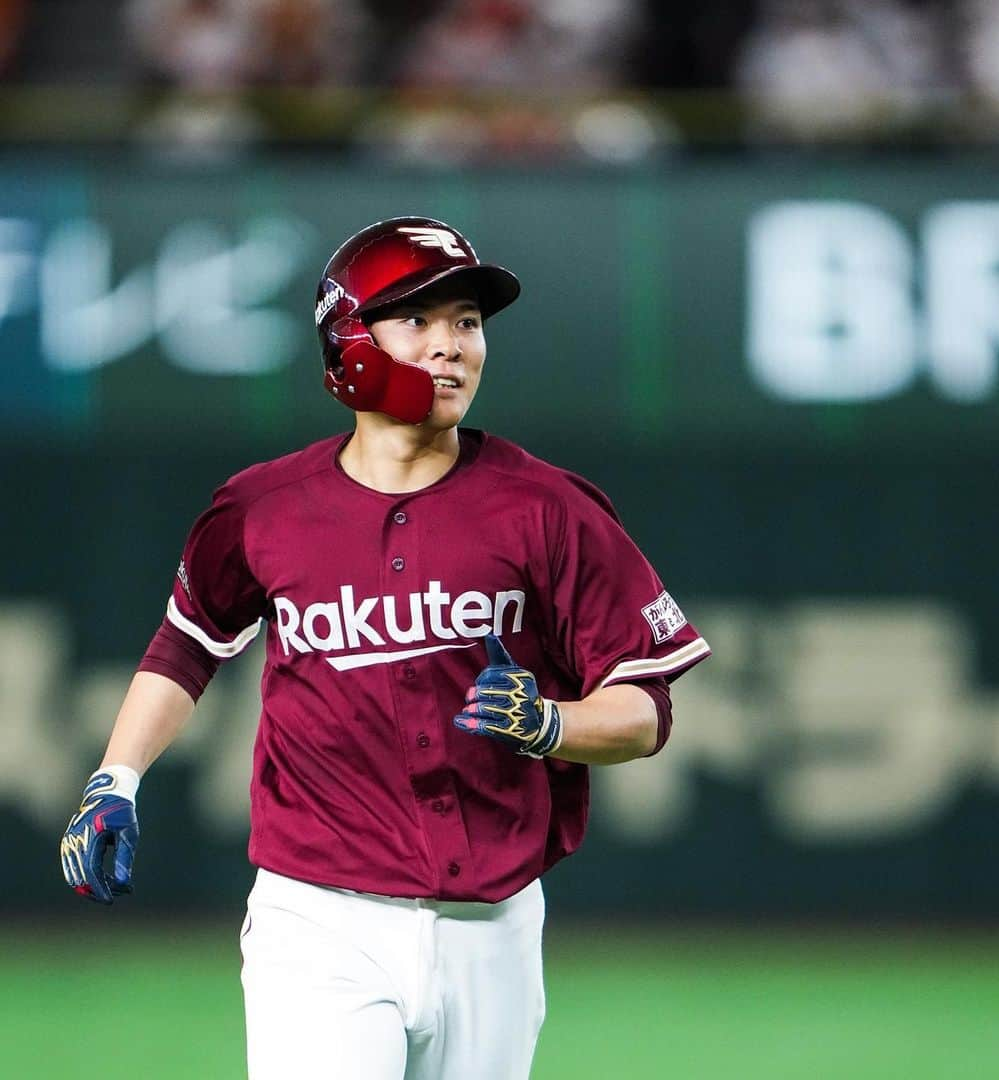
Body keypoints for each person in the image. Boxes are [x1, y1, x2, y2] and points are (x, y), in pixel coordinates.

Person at [59, 216, 711, 1080]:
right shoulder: (263, 509)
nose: (453, 348)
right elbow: (187, 648)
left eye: (468, 324)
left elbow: (645, 710)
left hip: (493, 926)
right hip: (317, 919)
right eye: (419, 320)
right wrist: (117, 777)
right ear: (350, 342)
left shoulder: (547, 508)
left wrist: (550, 724)